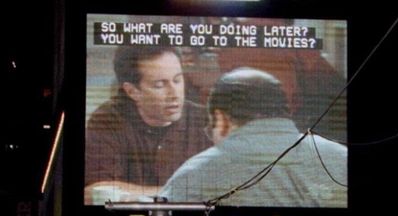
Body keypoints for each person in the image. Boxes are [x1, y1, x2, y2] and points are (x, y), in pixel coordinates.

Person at [161, 67, 347, 207]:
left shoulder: (197, 173)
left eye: (211, 128)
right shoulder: (341, 157)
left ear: (221, 118)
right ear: (284, 110)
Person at [84, 44, 208, 204]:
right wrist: (179, 193)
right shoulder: (109, 119)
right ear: (132, 91)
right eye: (160, 85)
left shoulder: (206, 120)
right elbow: (94, 192)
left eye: (177, 80)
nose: (174, 94)